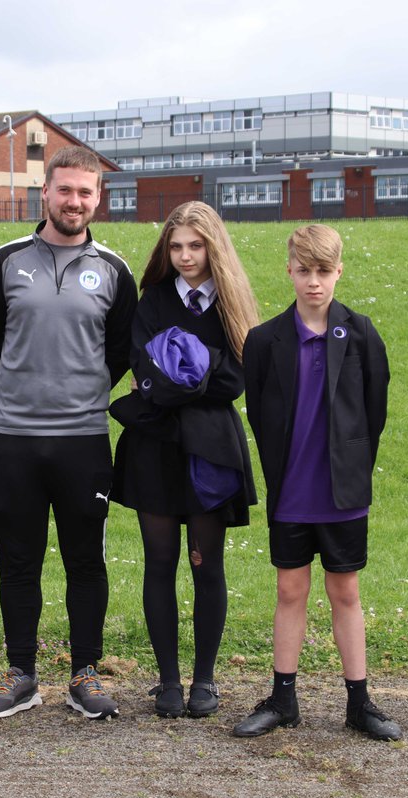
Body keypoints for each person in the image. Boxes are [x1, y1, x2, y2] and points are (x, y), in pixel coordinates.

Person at [0, 145, 137, 720]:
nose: (75, 201)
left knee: (85, 561)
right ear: (45, 192)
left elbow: (118, 353)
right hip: (11, 437)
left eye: (86, 192)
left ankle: (85, 674)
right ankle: (21, 675)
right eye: (65, 190)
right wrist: (22, 394)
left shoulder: (114, 270)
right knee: (18, 562)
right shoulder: (6, 260)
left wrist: (77, 390)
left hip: (83, 439)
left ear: (98, 198)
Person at [233, 224, 400, 741]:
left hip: (342, 493)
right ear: (289, 270)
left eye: (324, 272)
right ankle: (283, 699)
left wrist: (348, 465)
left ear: (339, 272)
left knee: (345, 591)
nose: (313, 283)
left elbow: (374, 413)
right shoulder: (264, 341)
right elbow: (259, 414)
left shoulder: (362, 333)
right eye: (304, 271)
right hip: (292, 492)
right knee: (290, 589)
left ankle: (359, 702)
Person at [109, 201, 258, 719]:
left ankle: (206, 680)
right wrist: (191, 374)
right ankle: (168, 680)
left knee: (205, 564)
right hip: (155, 447)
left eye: (195, 246)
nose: (185, 255)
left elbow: (235, 381)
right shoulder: (151, 300)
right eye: (176, 247)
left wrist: (180, 372)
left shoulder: (231, 303)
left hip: (210, 451)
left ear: (212, 247)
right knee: (159, 562)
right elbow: (144, 372)